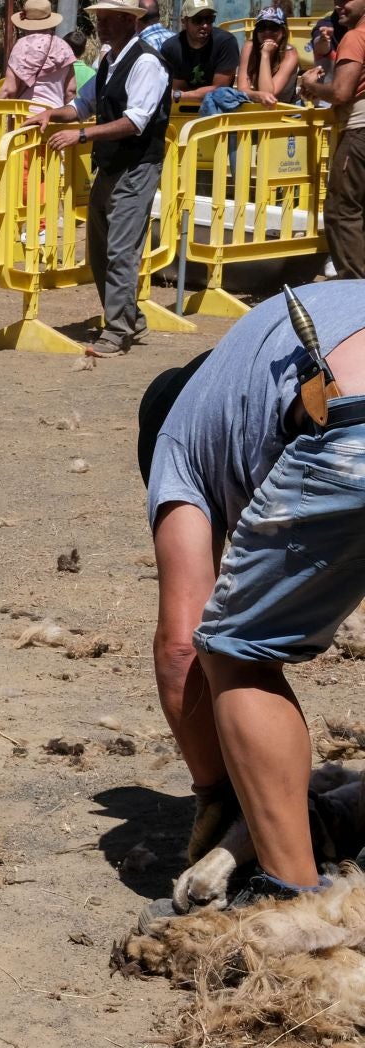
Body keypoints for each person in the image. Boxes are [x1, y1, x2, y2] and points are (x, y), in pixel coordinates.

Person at [140, 285, 365, 900]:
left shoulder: (177, 446)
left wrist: (218, 793)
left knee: (233, 650)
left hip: (351, 422)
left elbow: (180, 649)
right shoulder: (246, 370)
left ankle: (294, 897)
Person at [28, 0, 173, 358]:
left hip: (137, 165)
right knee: (100, 247)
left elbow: (135, 121)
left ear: (129, 21)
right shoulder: (109, 62)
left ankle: (118, 330)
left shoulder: (146, 62)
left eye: (109, 20)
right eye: (100, 20)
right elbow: (83, 105)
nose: (102, 27)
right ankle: (128, 316)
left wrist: (82, 136)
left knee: (121, 248)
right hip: (111, 165)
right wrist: (53, 114)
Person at [200, 6, 300, 117]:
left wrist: (265, 55)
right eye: (262, 27)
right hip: (257, 106)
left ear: (283, 31)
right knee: (216, 95)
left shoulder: (290, 54)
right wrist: (256, 95)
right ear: (256, 32)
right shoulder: (249, 47)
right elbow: (243, 89)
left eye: (273, 27)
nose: (267, 32)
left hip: (285, 112)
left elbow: (268, 93)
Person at [327, 0, 365, 279]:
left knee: (342, 211)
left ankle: (354, 291)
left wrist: (311, 86)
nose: (339, 4)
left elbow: (341, 93)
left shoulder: (355, 36)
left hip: (358, 130)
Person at [0, 0, 76, 109]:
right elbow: (70, 91)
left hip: (25, 116)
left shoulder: (22, 46)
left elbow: (8, 89)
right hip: (54, 117)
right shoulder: (64, 47)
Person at [162, 0, 239, 104]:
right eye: (197, 20)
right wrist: (182, 94)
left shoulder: (226, 43)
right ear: (184, 21)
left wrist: (182, 95)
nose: (205, 25)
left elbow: (219, 91)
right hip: (182, 110)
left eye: (209, 19)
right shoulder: (171, 48)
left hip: (218, 109)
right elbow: (178, 87)